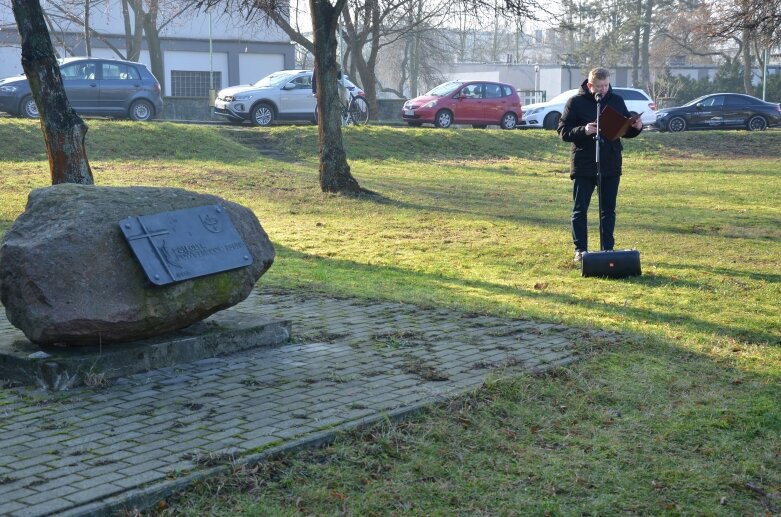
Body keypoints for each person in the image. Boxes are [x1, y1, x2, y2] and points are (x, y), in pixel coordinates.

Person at [557, 67, 643, 263]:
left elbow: (624, 130)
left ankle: (608, 250)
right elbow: (563, 130)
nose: (603, 89)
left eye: (606, 85)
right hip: (584, 163)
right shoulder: (575, 102)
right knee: (580, 209)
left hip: (610, 163)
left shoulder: (617, 100)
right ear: (590, 85)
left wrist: (636, 127)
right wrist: (584, 130)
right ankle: (580, 250)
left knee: (608, 210)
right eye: (599, 86)